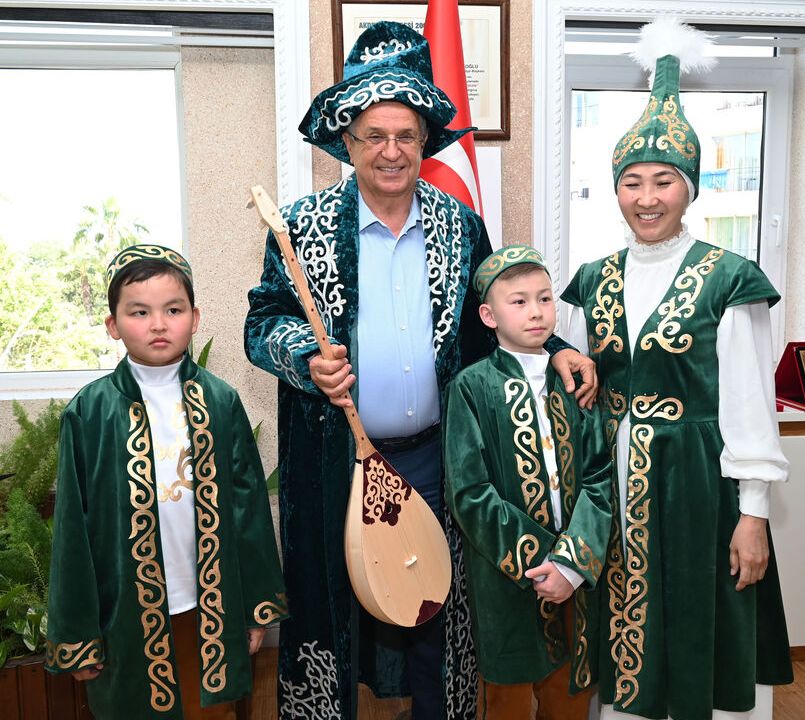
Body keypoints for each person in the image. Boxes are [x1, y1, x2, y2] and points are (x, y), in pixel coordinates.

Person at [244, 21, 597, 720]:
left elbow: (494, 314)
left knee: (439, 612)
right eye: (374, 135)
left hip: (439, 459)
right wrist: (305, 357)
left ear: (426, 140)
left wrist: (557, 348)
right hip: (336, 462)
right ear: (347, 142)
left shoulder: (458, 226)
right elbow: (263, 323)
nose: (391, 150)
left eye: (405, 135)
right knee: (336, 614)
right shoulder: (300, 227)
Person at [557, 19, 793, 720]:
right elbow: (582, 380)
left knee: (704, 622)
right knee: (623, 634)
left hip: (699, 486)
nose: (647, 197)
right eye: (632, 182)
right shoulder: (593, 277)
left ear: (689, 189)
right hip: (613, 488)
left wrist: (753, 515)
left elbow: (750, 404)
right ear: (616, 191)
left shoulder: (728, 278)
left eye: (664, 181)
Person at [47, 245, 288, 720]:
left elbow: (249, 512)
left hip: (209, 610)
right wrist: (78, 635)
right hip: (123, 617)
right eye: (140, 312)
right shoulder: (89, 413)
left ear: (194, 319)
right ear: (113, 325)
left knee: (209, 712)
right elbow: (72, 532)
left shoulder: (221, 401)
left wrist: (255, 607)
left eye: (173, 310)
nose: (158, 324)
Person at [443, 246, 615, 719]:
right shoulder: (471, 388)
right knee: (508, 701)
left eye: (544, 298)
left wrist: (572, 564)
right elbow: (469, 493)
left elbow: (600, 477)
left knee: (570, 697)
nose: (536, 312)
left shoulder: (576, 383)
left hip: (576, 579)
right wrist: (541, 560)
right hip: (505, 582)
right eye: (518, 301)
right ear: (489, 315)